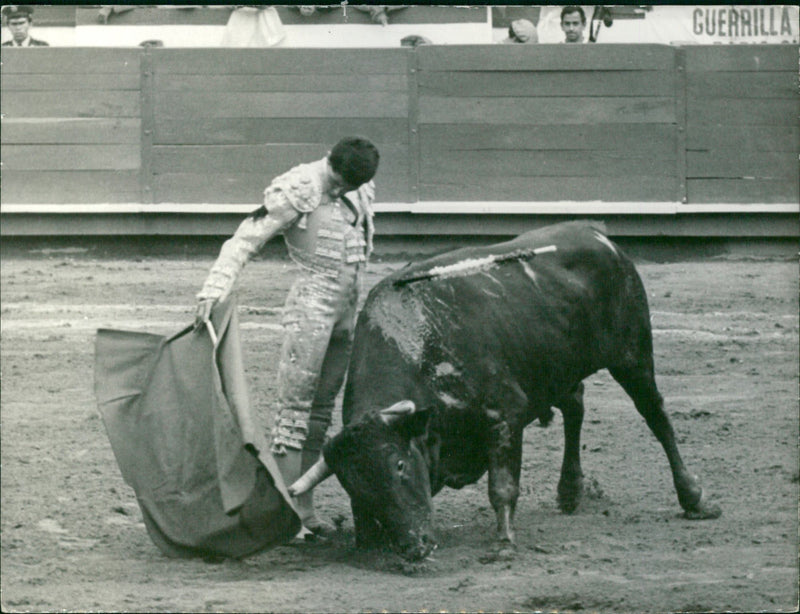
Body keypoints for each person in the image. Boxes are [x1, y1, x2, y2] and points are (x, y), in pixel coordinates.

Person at [194, 137, 380, 535]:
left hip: (347, 312)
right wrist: (213, 288)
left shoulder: (359, 186)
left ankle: (306, 512)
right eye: (337, 182)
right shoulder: (298, 187)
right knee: (293, 414)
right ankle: (286, 517)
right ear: (329, 161)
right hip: (310, 310)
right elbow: (245, 239)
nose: (339, 192)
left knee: (319, 415)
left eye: (347, 188)